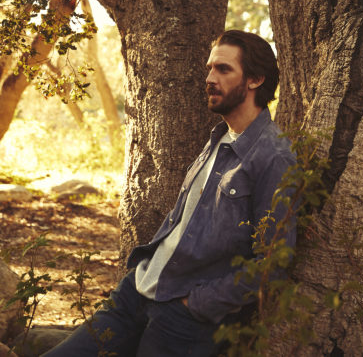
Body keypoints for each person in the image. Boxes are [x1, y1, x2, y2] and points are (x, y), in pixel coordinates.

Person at [43, 30, 296, 357]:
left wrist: (197, 304)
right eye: (209, 68)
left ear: (255, 80)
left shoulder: (273, 157)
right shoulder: (220, 137)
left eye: (223, 69)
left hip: (183, 319)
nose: (209, 78)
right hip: (137, 291)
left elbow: (275, 262)